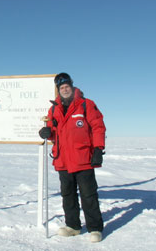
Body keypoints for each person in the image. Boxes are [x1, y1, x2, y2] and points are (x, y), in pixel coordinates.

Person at [39, 72, 106, 243]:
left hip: (83, 159)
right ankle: (73, 226)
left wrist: (98, 148)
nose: (65, 89)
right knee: (67, 195)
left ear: (72, 86)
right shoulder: (54, 109)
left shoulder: (86, 105)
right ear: (58, 90)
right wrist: (46, 132)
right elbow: (53, 133)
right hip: (63, 160)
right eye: (61, 87)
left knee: (88, 195)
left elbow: (98, 127)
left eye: (67, 86)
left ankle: (95, 228)